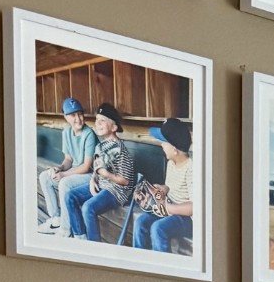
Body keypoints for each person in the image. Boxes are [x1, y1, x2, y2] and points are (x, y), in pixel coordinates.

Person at [64, 102, 135, 242]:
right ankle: (80, 237)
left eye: (102, 121)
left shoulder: (120, 149)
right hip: (102, 185)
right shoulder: (100, 146)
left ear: (114, 127)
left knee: (88, 207)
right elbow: (97, 168)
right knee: (70, 196)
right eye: (96, 120)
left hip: (116, 191)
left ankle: (94, 245)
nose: (97, 123)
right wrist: (93, 180)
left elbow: (126, 181)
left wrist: (106, 174)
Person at [131, 118, 194, 255]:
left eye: (163, 143)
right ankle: (139, 260)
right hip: (169, 209)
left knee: (158, 228)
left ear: (174, 149)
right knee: (141, 221)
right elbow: (169, 187)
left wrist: (168, 207)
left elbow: (193, 208)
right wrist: (159, 189)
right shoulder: (172, 163)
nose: (161, 146)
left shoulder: (191, 168)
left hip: (186, 218)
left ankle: (161, 267)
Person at [37, 97, 97, 237]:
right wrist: (60, 168)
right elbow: (68, 159)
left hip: (90, 176)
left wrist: (64, 175)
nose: (78, 118)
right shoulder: (66, 132)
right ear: (65, 117)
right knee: (45, 177)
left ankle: (65, 229)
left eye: (80, 113)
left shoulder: (89, 134)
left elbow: (87, 167)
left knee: (64, 183)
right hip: (74, 172)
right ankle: (55, 219)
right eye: (72, 115)